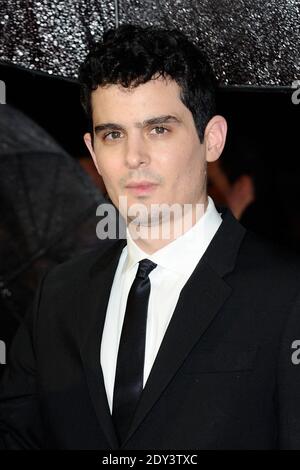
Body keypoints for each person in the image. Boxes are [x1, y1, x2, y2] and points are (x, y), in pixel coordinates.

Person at [1, 24, 300, 450]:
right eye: (113, 134)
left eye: (158, 129)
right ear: (93, 152)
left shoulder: (287, 294)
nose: (133, 157)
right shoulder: (58, 295)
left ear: (211, 139)